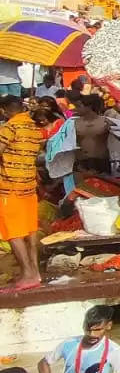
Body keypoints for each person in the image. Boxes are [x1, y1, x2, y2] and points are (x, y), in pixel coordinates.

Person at [0, 97, 52, 290]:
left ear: (4, 111)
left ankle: (27, 275)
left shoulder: (9, 128)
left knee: (13, 232)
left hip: (10, 187)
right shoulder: (33, 128)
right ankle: (35, 273)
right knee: (29, 232)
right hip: (29, 188)